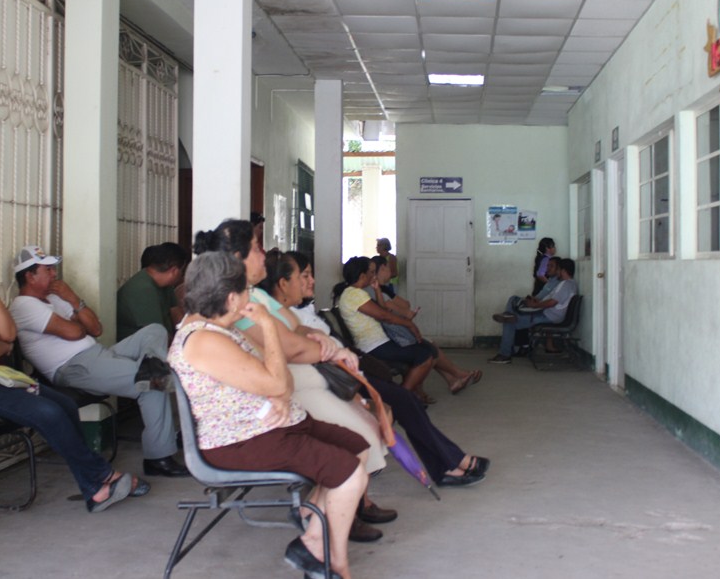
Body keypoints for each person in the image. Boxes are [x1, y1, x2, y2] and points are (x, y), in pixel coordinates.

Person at [194, 220, 395, 543]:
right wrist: (328, 351)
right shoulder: (232, 310)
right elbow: (285, 352)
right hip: (282, 394)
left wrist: (320, 341)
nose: (265, 256)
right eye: (258, 249)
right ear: (237, 258)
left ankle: (344, 509)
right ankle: (329, 515)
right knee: (360, 434)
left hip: (294, 381)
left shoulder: (254, 295)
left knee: (368, 423)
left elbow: (293, 331)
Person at [171, 251, 368, 579]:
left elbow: (280, 381)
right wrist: (266, 324)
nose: (252, 299)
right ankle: (334, 561)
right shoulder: (204, 340)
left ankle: (312, 537)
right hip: (242, 441)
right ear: (233, 298)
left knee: (357, 445)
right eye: (248, 292)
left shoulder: (221, 328)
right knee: (349, 475)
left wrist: (277, 389)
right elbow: (280, 381)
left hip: (275, 428)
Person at [0, 244, 144, 512]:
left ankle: (96, 485)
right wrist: (0, 348)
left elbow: (8, 333)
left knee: (65, 405)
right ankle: (99, 480)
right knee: (47, 411)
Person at [271, 250, 489, 487]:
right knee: (407, 399)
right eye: (304, 276)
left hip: (348, 371)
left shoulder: (300, 311)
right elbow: (310, 350)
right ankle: (451, 463)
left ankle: (449, 463)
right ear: (283, 284)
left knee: (409, 398)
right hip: (338, 380)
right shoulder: (284, 316)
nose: (312, 281)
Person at [9, 245, 189, 478]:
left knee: (153, 331)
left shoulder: (55, 298)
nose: (54, 274)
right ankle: (159, 457)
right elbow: (75, 333)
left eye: (54, 268)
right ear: (29, 276)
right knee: (151, 383)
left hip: (98, 355)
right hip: (74, 366)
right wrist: (75, 312)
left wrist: (73, 299)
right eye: (48, 270)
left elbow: (95, 327)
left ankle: (155, 367)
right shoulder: (24, 305)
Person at [368, 255, 481, 395]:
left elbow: (405, 306)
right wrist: (405, 314)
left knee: (428, 345)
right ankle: (452, 377)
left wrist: (402, 310)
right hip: (390, 337)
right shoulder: (374, 291)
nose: (390, 270)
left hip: (395, 333)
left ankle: (453, 379)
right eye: (371, 272)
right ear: (383, 268)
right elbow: (399, 311)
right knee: (428, 347)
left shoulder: (384, 289)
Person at [334, 257, 434, 400]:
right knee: (424, 356)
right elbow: (384, 316)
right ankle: (401, 398)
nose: (374, 276)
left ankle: (405, 395)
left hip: (379, 343)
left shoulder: (355, 293)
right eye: (372, 272)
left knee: (424, 350)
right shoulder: (354, 294)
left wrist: (377, 290)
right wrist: (409, 324)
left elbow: (382, 311)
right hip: (373, 346)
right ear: (362, 275)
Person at [490, 258, 578, 364]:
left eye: (558, 269)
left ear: (563, 270)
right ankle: (509, 317)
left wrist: (535, 305)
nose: (557, 272)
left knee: (510, 322)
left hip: (549, 316)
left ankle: (505, 355)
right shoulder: (568, 284)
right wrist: (535, 304)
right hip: (548, 313)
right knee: (512, 314)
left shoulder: (566, 284)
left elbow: (552, 303)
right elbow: (550, 300)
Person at [116, 242, 189, 342]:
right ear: (174, 271)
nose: (182, 276)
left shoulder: (165, 285)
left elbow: (177, 316)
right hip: (137, 350)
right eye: (182, 271)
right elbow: (158, 336)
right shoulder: (142, 289)